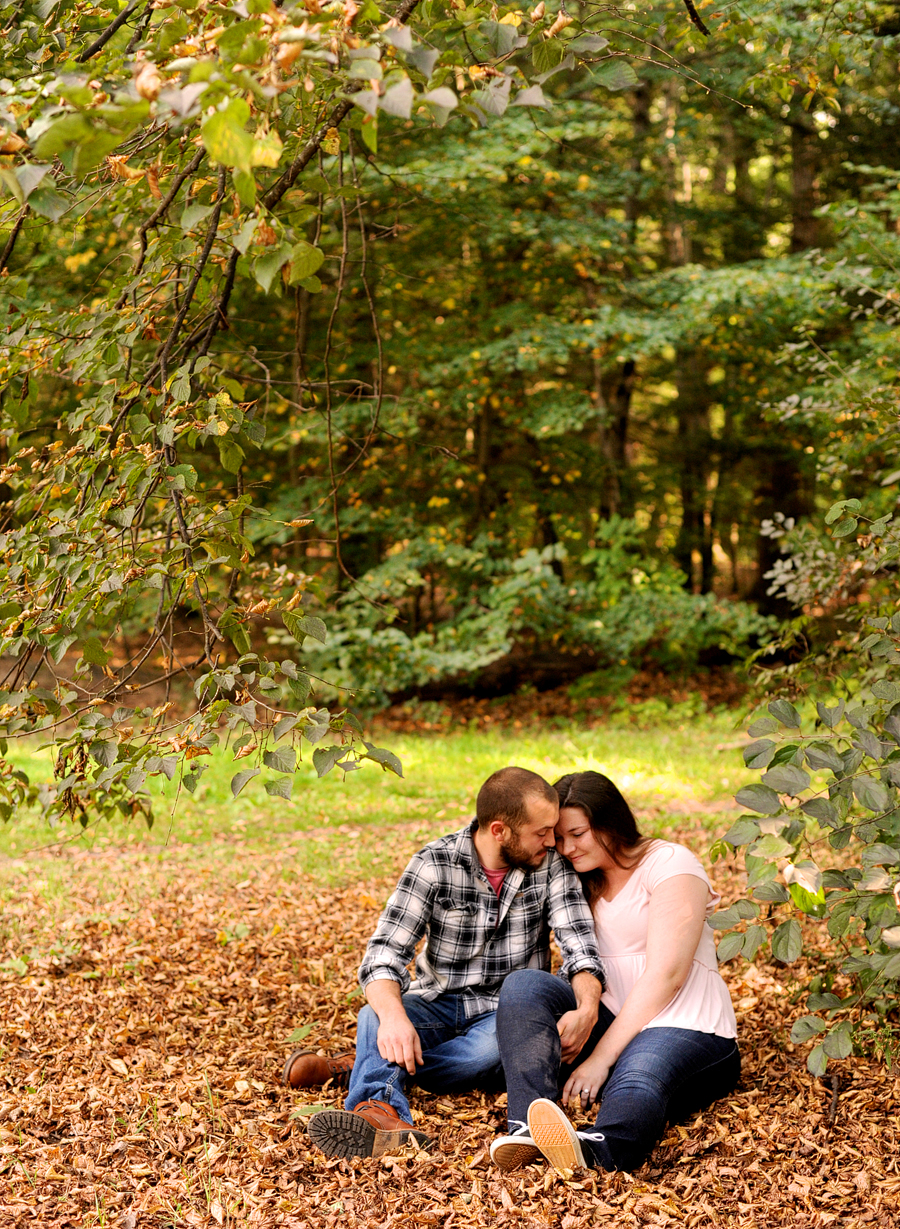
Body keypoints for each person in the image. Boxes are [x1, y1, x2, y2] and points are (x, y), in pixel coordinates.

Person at [298, 766, 605, 1161]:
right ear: (500, 831)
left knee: (491, 1054)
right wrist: (394, 1019)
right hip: (436, 1000)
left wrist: (588, 1007)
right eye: (542, 832)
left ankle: (364, 1063)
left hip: (503, 1014)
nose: (553, 841)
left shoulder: (550, 867)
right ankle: (377, 1110)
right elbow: (382, 957)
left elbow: (580, 947)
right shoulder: (434, 863)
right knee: (375, 1016)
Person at [490, 770, 740, 1175]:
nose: (565, 847)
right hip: (608, 1019)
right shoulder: (576, 878)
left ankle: (599, 1151)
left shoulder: (670, 863)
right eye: (558, 836)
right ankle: (529, 1128)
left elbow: (667, 975)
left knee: (640, 1073)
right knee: (524, 986)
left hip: (686, 1024)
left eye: (578, 833)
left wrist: (600, 1058)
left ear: (609, 822)